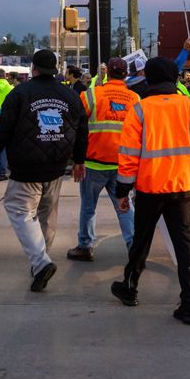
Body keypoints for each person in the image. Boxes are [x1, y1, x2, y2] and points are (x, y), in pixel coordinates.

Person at [110, 57, 190, 325]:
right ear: (174, 78)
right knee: (184, 243)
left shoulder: (141, 109)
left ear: (150, 80)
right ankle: (189, 303)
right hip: (183, 186)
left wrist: (123, 189)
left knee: (141, 240)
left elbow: (129, 154)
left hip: (150, 187)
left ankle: (130, 288)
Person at [0, 50, 87, 292]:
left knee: (19, 209)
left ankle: (41, 262)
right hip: (56, 164)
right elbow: (83, 129)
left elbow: (2, 127)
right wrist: (80, 160)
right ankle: (40, 261)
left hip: (26, 166)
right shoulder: (70, 95)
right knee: (48, 214)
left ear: (34, 69)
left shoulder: (20, 93)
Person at [66, 57, 140, 263]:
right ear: (125, 74)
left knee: (88, 207)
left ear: (107, 72)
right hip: (122, 164)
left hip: (93, 163)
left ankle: (85, 245)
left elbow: (76, 127)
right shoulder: (135, 98)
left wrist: (76, 159)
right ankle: (134, 247)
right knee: (124, 206)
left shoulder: (90, 95)